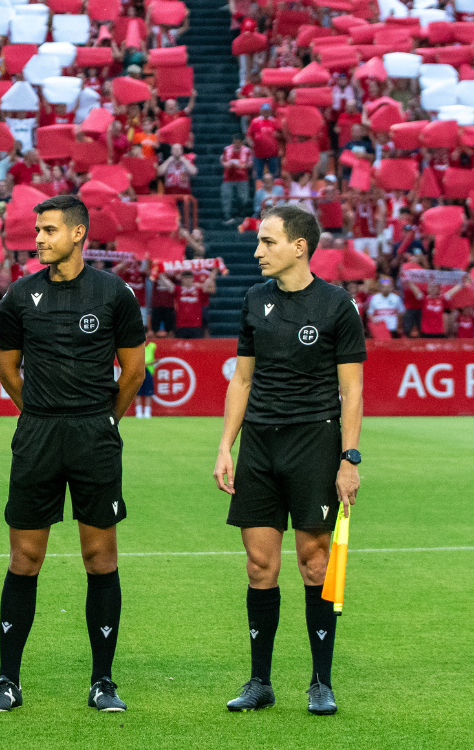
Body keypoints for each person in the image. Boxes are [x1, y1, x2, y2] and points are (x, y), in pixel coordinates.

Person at [0, 194, 146, 714]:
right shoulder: (17, 297)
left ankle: (103, 681)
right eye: (37, 230)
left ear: (78, 234)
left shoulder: (114, 294)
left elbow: (133, 372)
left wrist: (102, 420)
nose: (38, 239)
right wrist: (41, 414)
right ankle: (7, 680)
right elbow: (9, 371)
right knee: (24, 558)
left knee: (100, 557)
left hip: (94, 438)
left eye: (48, 230)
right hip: (38, 436)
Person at [213, 205, 365, 716]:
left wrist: (349, 458)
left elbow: (352, 390)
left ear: (299, 246)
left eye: (267, 242)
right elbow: (242, 379)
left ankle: (320, 682)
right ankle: (260, 682)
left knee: (314, 563)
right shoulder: (256, 300)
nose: (258, 252)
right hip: (259, 445)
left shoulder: (337, 305)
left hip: (314, 445)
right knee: (260, 565)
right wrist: (225, 447)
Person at [133, 332, 156, 418]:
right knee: (137, 393)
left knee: (148, 393)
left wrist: (150, 335)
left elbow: (153, 340)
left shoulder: (151, 347)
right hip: (138, 372)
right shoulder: (136, 349)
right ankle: (138, 412)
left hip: (148, 372)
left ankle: (147, 412)